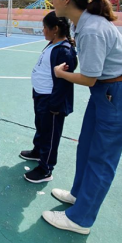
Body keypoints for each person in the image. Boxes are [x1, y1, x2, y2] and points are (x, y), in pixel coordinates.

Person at [41, 0, 122, 235]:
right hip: (105, 93)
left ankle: (80, 219)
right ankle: (78, 195)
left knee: (101, 159)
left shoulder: (93, 29)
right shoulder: (84, 23)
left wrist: (61, 73)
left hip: (118, 96)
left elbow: (88, 78)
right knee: (86, 147)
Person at [20, 11, 78, 183]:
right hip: (41, 96)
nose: (43, 30)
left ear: (56, 29)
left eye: (45, 27)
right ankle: (38, 152)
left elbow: (63, 82)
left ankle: (46, 169)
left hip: (51, 101)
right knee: (41, 127)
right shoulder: (53, 44)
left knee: (50, 135)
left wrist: (55, 105)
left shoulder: (65, 51)